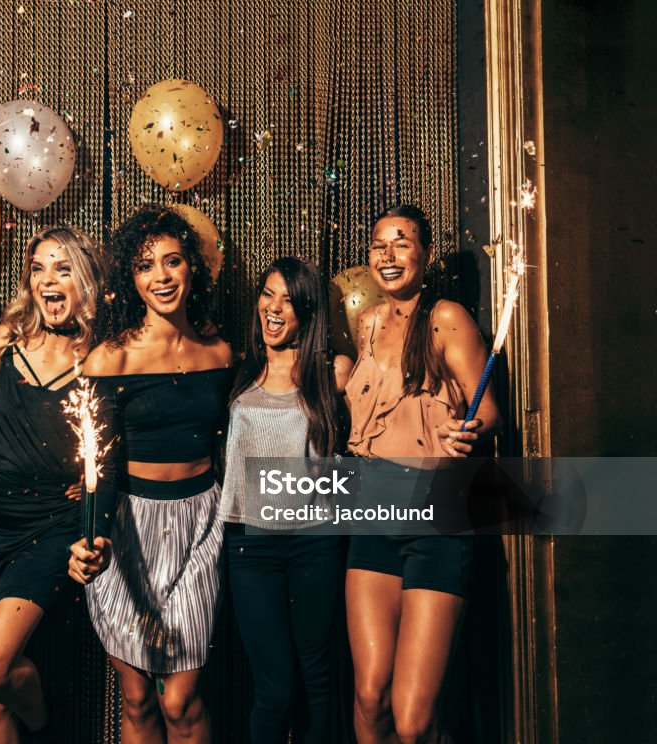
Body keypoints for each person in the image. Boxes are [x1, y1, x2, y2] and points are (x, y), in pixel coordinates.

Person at [68, 205, 233, 744]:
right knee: (138, 699)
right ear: (130, 279)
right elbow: (102, 466)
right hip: (127, 530)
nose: (160, 276)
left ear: (192, 269)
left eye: (172, 262)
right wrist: (92, 536)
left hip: (200, 525)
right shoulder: (108, 360)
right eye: (145, 265)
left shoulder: (221, 351)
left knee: (181, 701)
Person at [344, 205, 501, 744]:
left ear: (426, 254)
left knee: (412, 722)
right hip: (373, 511)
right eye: (378, 245)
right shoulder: (366, 325)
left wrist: (469, 430)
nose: (388, 255)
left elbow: (489, 410)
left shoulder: (446, 317)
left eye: (402, 243)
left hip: (435, 513)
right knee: (369, 699)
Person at [0, 226, 104, 741]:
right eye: (38, 268)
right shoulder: (1, 341)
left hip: (48, 531)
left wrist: (98, 485)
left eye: (62, 269)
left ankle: (46, 722)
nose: (48, 280)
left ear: (85, 279)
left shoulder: (101, 358)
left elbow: (115, 441)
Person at [218, 257, 352, 743]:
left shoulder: (331, 373)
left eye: (288, 300)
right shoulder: (237, 371)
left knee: (315, 680)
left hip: (314, 542)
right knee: (274, 689)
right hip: (250, 547)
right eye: (268, 294)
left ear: (308, 312)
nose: (274, 309)